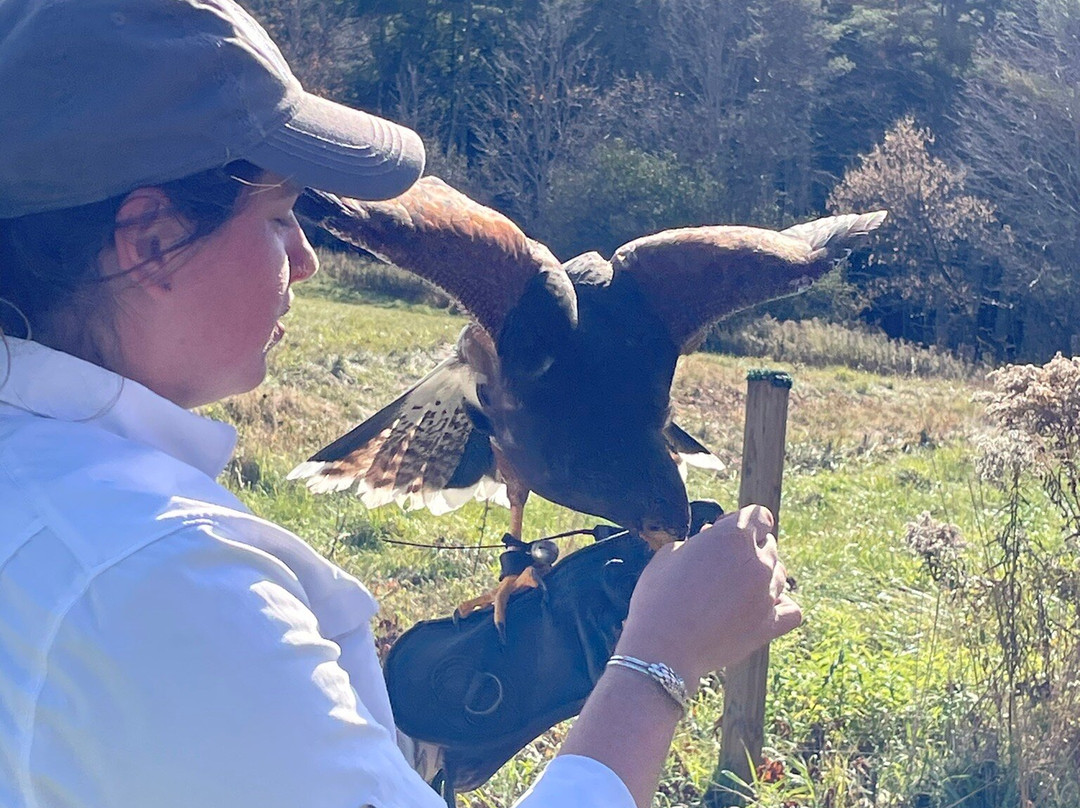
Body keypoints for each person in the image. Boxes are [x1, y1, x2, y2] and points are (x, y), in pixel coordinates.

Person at [0, 1, 803, 806]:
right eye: (281, 216)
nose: (306, 258)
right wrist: (655, 664)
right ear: (149, 242)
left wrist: (390, 746)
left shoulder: (54, 497)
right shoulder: (168, 584)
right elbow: (177, 651)